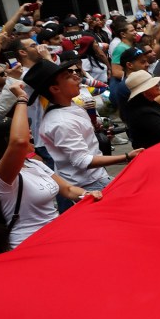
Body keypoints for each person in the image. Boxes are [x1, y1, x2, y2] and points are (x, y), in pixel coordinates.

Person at [0, 83, 104, 249]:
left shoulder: (35, 164)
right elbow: (20, 142)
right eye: (25, 130)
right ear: (6, 143)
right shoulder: (0, 176)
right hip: (29, 246)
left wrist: (88, 194)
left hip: (56, 237)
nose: (30, 133)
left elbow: (68, 190)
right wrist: (22, 99)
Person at [26, 59, 142, 213]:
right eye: (68, 76)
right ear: (55, 88)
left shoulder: (70, 106)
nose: (76, 77)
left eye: (75, 72)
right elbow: (83, 161)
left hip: (95, 178)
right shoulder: (61, 122)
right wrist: (127, 156)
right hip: (90, 184)